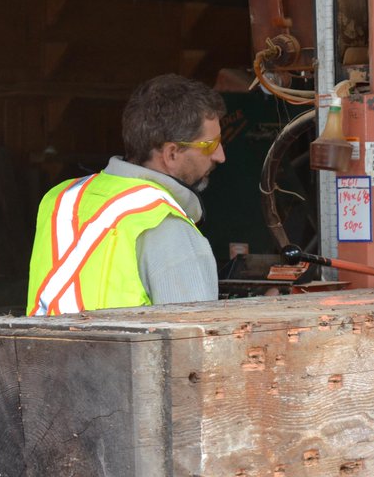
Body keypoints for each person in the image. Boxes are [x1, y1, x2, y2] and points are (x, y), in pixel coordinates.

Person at [26, 74, 226, 315]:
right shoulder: (166, 224)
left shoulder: (61, 198)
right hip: (116, 354)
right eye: (211, 145)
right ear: (171, 153)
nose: (220, 156)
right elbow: (193, 340)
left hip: (42, 351)